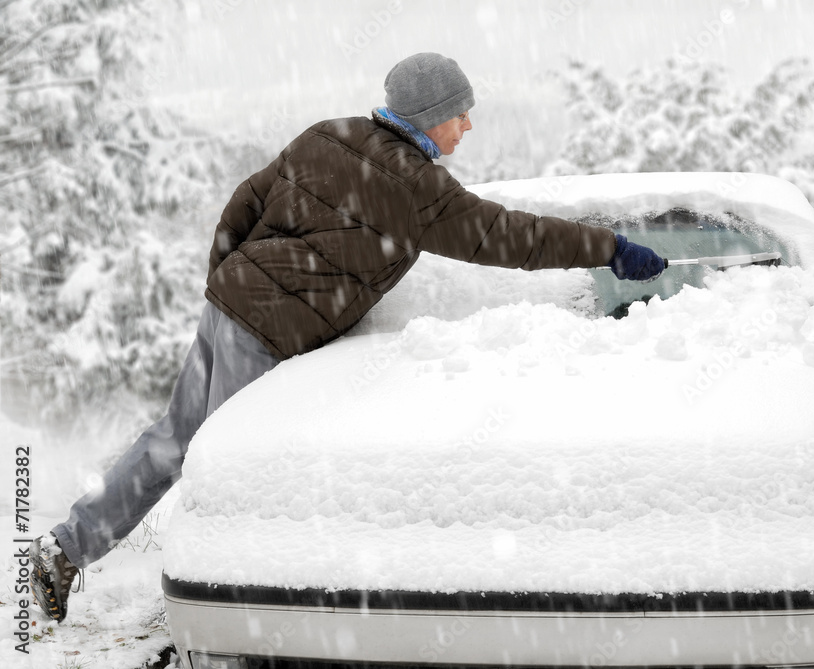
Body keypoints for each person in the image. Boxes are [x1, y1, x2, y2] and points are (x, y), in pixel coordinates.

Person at [28, 52, 663, 622]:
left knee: (172, 440)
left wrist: (227, 277)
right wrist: (607, 247)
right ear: (431, 115)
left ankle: (66, 547)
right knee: (232, 476)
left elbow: (243, 202)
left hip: (226, 308)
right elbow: (512, 237)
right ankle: (239, 611)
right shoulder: (420, 190)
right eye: (461, 114)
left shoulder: (326, 135)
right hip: (263, 331)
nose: (468, 126)